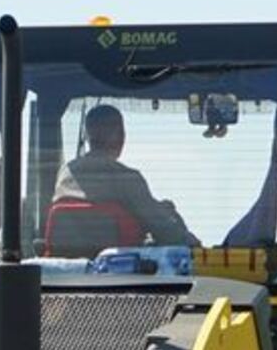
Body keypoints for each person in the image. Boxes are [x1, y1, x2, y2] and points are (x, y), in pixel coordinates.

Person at [53, 104, 199, 246]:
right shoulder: (126, 178)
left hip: (66, 267)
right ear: (120, 135)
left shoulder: (65, 175)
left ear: (88, 137)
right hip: (122, 269)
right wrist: (193, 242)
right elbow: (165, 232)